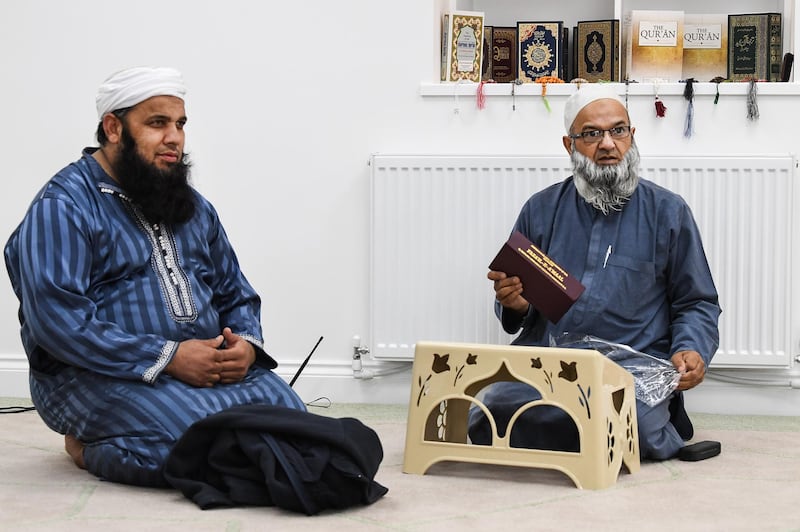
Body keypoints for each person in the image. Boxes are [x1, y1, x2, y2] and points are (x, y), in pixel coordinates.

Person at [4, 66, 306, 487]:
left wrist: (246, 348)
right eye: (157, 123)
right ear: (113, 128)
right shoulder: (63, 206)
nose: (175, 138)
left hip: (203, 366)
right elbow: (59, 322)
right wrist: (169, 358)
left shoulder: (194, 206)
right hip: (93, 374)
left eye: (180, 124)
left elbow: (236, 293)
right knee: (192, 442)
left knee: (294, 421)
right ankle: (86, 447)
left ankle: (153, 422)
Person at [468, 84, 721, 460]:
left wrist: (690, 348)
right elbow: (518, 312)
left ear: (632, 138)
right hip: (549, 362)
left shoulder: (668, 211)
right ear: (570, 145)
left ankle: (651, 415)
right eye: (591, 134)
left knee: (634, 426)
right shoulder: (540, 210)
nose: (607, 144)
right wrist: (517, 305)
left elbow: (697, 301)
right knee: (488, 418)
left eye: (618, 130)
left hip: (632, 368)